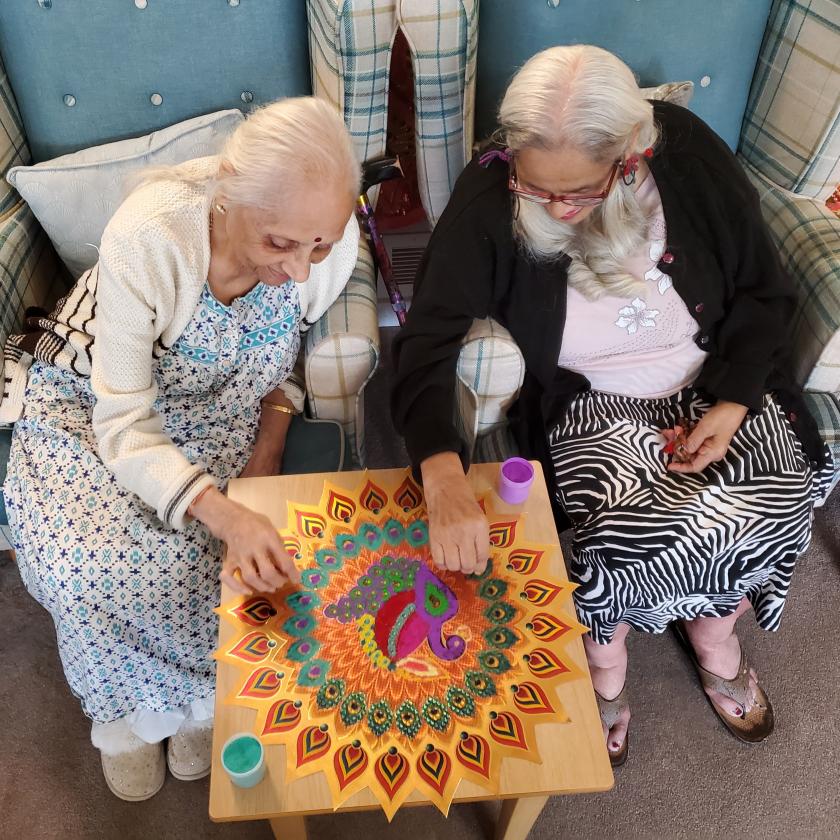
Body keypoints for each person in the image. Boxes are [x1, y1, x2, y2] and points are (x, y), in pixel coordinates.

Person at [391, 45, 833, 767]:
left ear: (631, 158)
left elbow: (764, 289)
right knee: (626, 531)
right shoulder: (490, 194)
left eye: (581, 192)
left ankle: (716, 635)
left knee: (778, 496)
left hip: (715, 370)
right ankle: (606, 660)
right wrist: (440, 473)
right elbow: (426, 342)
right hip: (590, 398)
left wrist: (731, 401)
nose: (559, 210)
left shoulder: (687, 157)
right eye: (539, 192)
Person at [2, 97, 360, 799]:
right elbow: (125, 423)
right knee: (87, 566)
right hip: (95, 403)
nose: (299, 268)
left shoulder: (324, 243)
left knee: (223, 565)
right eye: (280, 245)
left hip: (219, 413)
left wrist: (260, 463)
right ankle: (128, 722)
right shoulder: (152, 234)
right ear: (229, 201)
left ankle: (194, 703)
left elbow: (280, 376)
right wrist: (225, 511)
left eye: (318, 244)